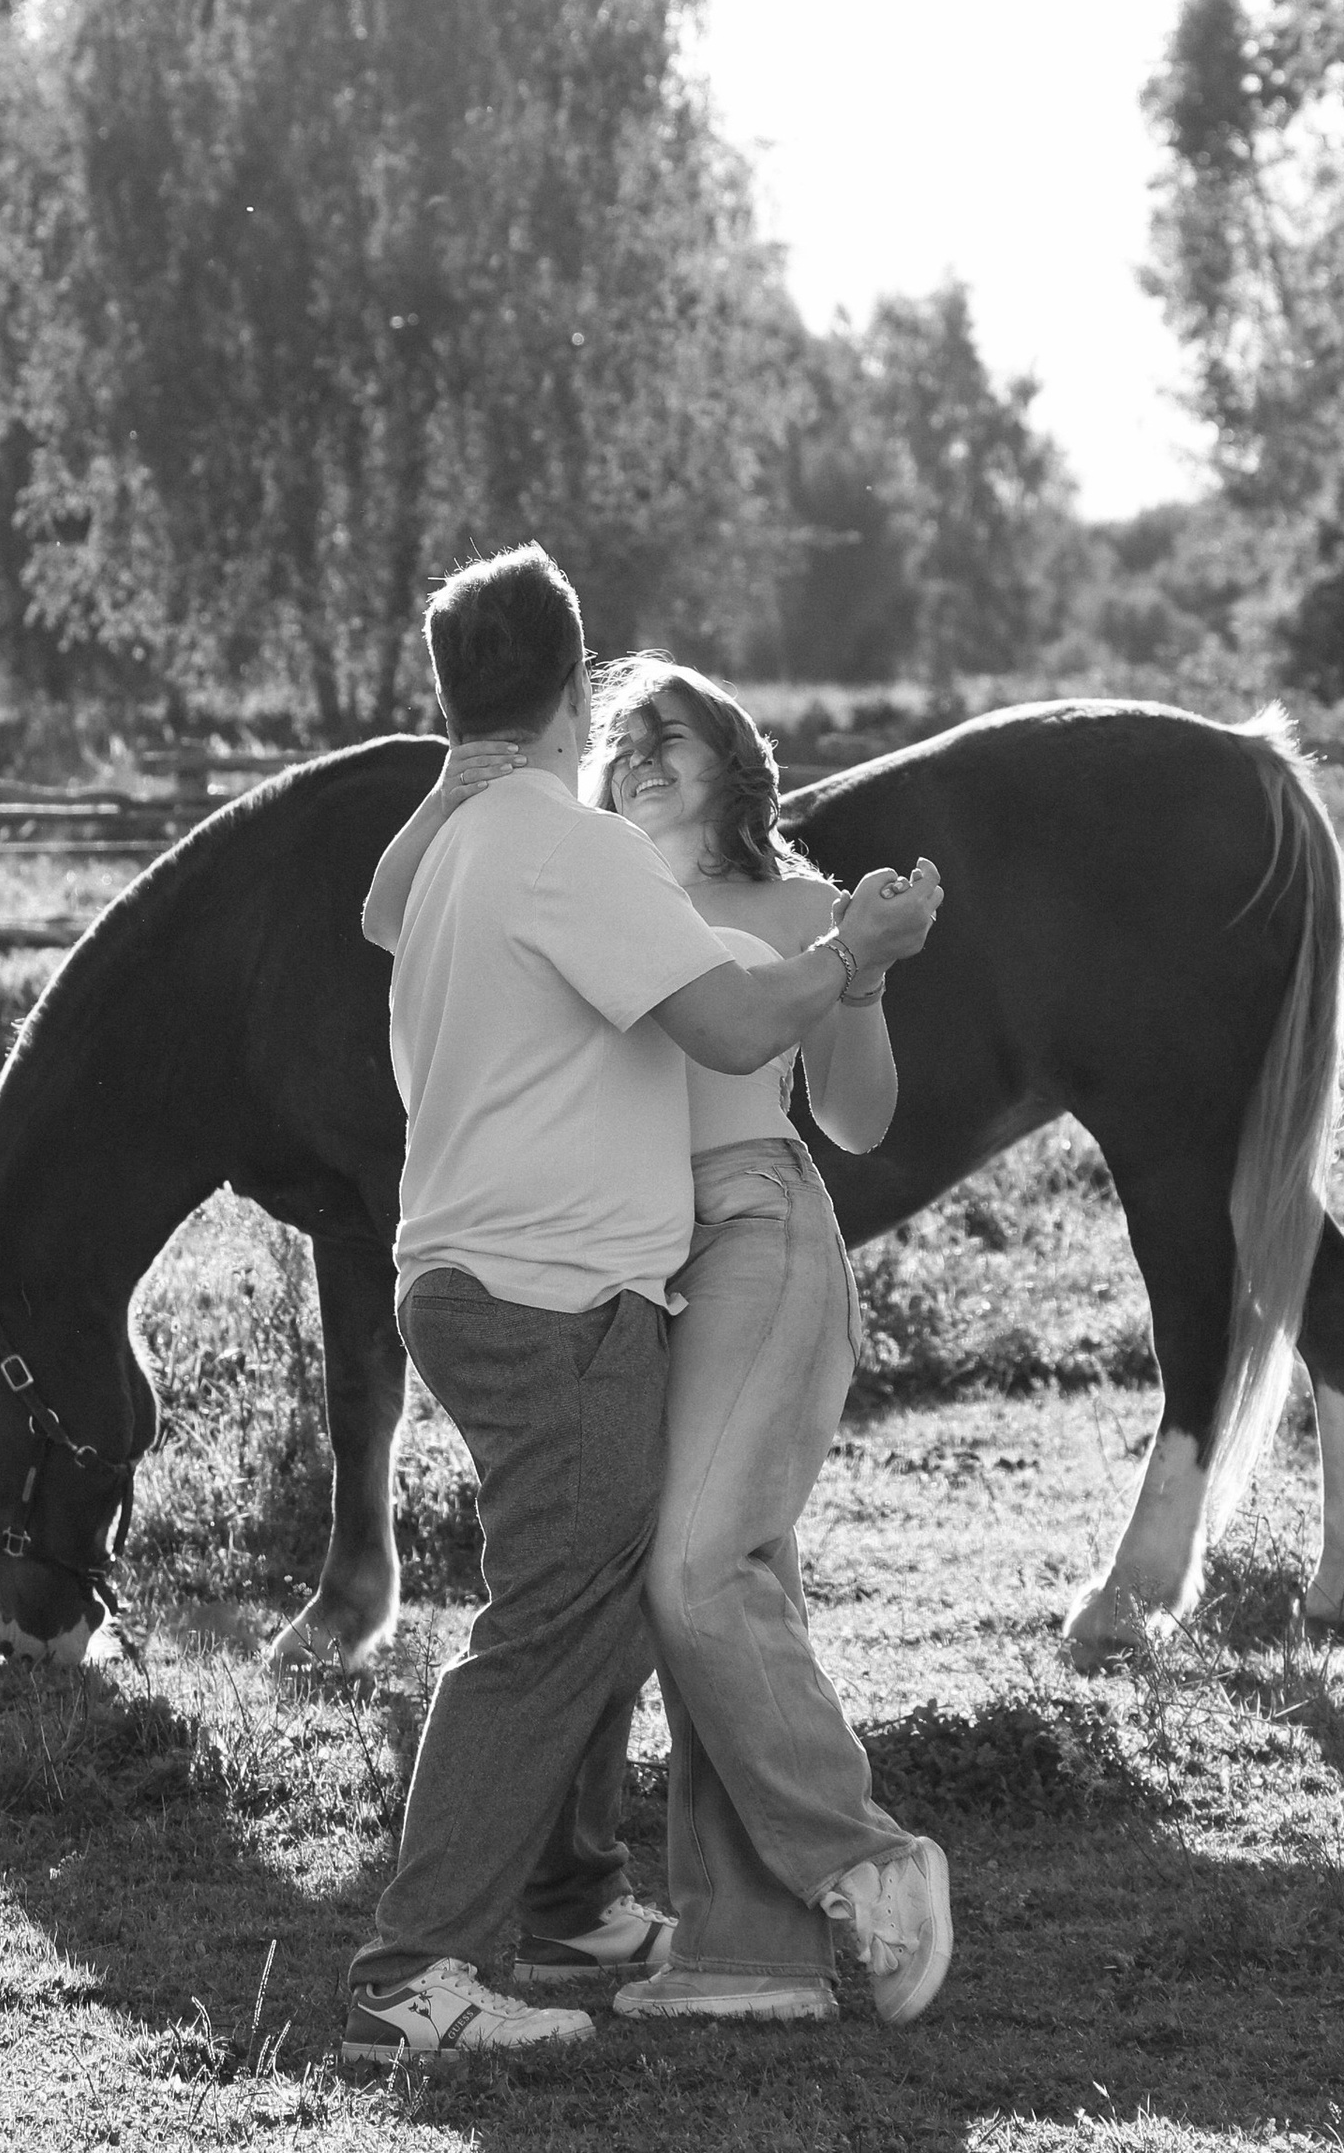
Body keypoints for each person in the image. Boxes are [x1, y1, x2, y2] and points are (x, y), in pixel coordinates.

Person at [340, 545, 927, 2072]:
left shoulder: (473, 848)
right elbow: (730, 1021)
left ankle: (591, 1911)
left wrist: (455, 766)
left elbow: (380, 908)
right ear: (575, 685)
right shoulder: (568, 849)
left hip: (520, 1270)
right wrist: (852, 954)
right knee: (569, 1613)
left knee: (622, 1591)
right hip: (555, 1289)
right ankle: (423, 1969)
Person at [588, 656, 950, 2028]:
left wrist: (858, 975)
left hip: (755, 1224)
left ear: (731, 759)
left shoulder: (805, 911)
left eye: (666, 734)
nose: (637, 754)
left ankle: (867, 1859)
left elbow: (857, 1122)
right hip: (632, 1259)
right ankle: (752, 1955)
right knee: (726, 1588)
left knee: (694, 1571)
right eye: (621, 738)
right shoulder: (593, 893)